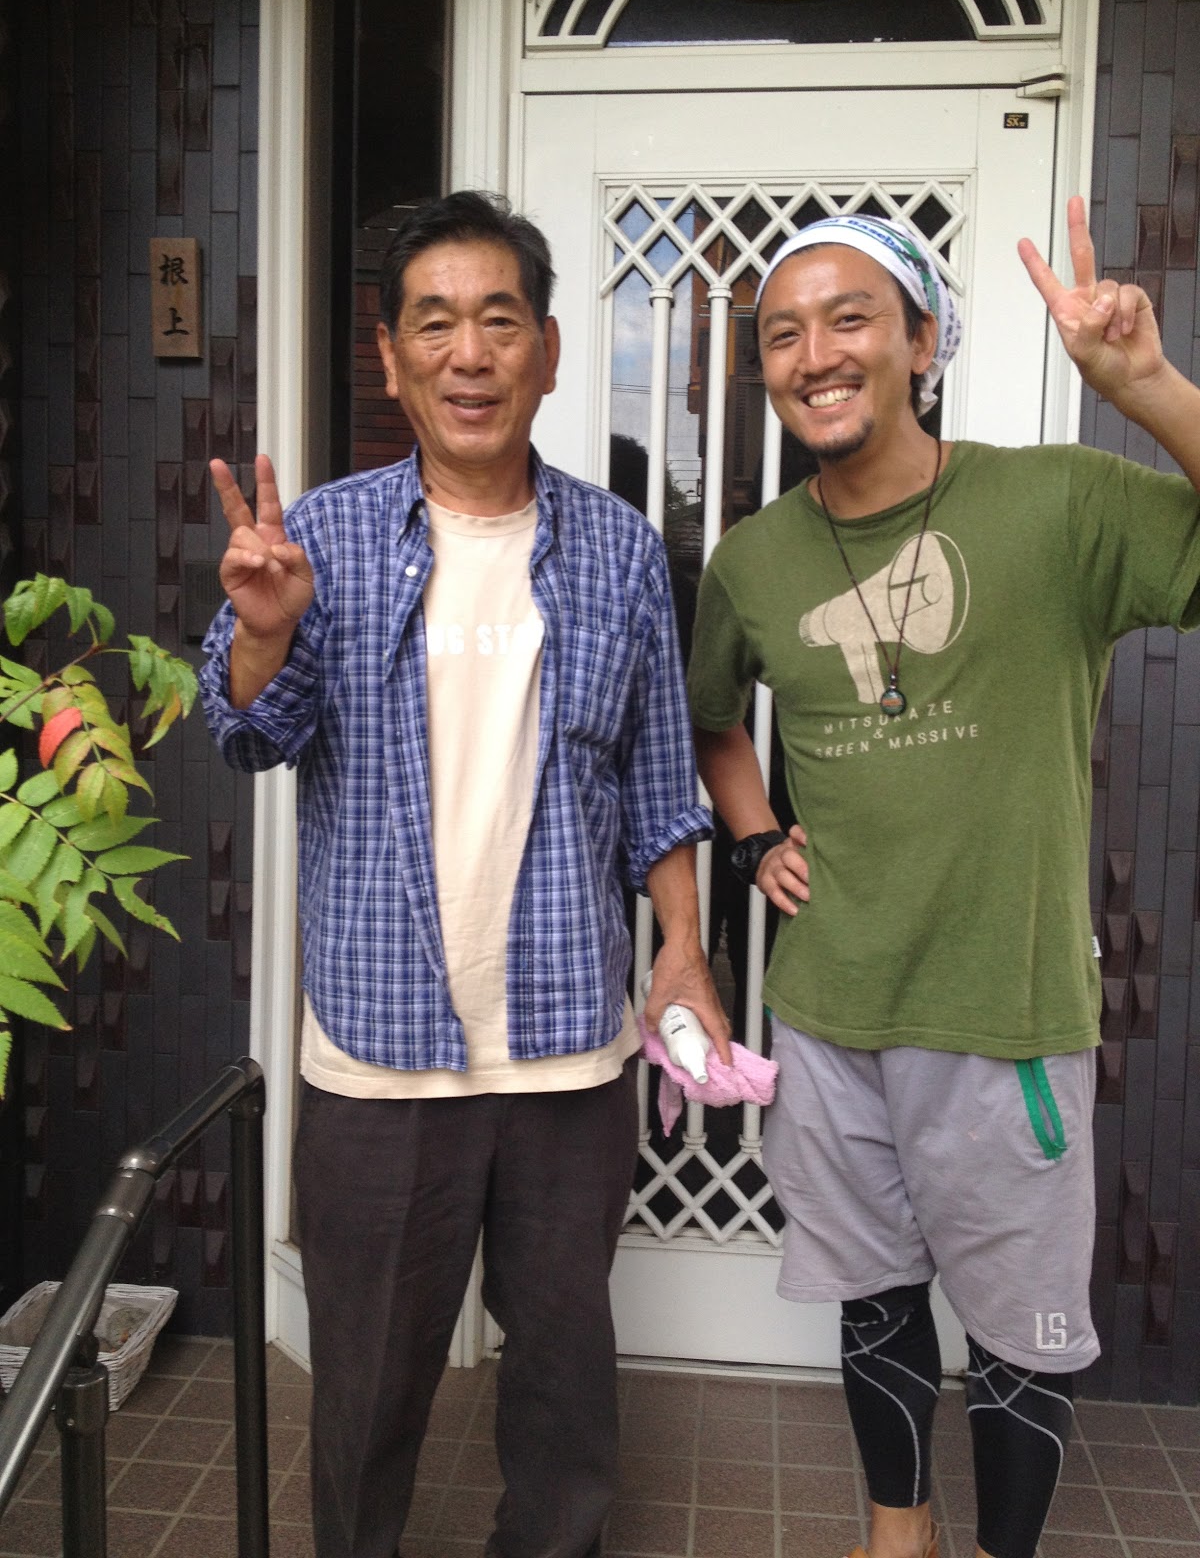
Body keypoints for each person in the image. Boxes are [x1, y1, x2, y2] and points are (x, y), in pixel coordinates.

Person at [199, 189, 729, 1558]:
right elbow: (248, 734)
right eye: (434, 324)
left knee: (563, 1402)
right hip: (379, 1062)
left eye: (500, 320)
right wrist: (263, 636)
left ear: (547, 350)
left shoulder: (618, 548)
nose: (470, 354)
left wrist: (682, 952)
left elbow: (658, 784)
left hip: (567, 1056)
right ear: (391, 359)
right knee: (366, 1397)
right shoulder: (318, 539)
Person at [687, 198, 1200, 1558]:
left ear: (923, 341)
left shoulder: (1059, 503)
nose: (814, 354)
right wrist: (756, 837)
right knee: (874, 1296)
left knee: (1021, 1333)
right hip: (831, 1010)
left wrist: (1149, 388)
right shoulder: (753, 560)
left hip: (1003, 1013)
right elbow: (714, 719)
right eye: (781, 334)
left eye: (849, 318)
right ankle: (895, 1533)